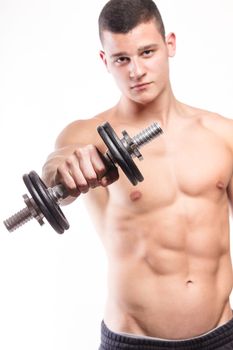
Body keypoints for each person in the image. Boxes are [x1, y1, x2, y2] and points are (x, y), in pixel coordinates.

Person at [42, 0, 233, 349]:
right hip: (134, 341)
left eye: (147, 52)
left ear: (169, 44)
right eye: (122, 59)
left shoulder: (222, 135)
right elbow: (58, 172)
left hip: (223, 336)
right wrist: (67, 172)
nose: (136, 71)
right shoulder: (85, 137)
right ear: (105, 61)